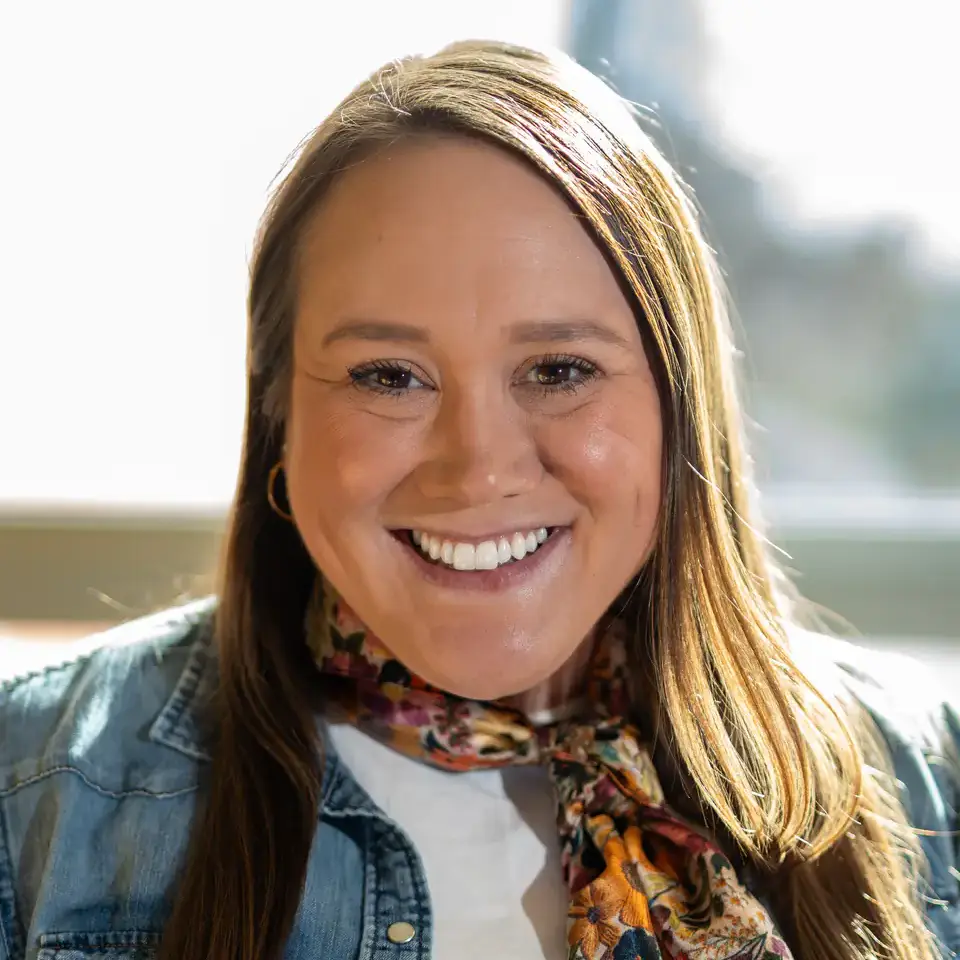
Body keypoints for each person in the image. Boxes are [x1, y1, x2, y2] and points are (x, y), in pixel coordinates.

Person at [1, 39, 958, 960]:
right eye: (387, 375)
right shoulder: (26, 785)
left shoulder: (929, 773)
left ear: (680, 407)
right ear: (278, 412)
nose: (478, 465)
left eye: (558, 368)